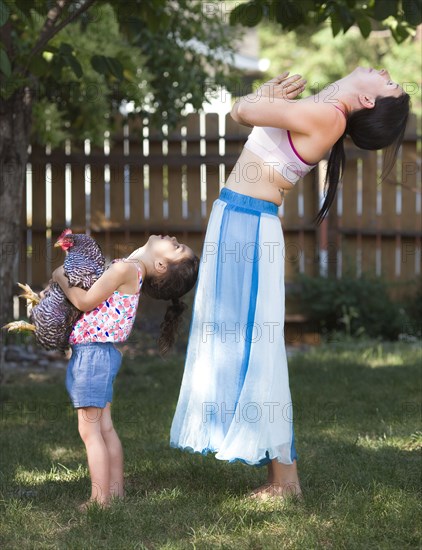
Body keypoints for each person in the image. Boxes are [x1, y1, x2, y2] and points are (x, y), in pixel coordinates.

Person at [170, 67, 410, 499]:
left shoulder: (328, 116)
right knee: (238, 344)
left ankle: (285, 481)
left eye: (389, 83)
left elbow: (241, 110)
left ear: (370, 102)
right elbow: (247, 114)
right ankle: (278, 474)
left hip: (247, 225)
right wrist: (259, 101)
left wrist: (259, 98)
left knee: (258, 350)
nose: (386, 73)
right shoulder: (322, 109)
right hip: (237, 218)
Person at [51, 235, 199, 509]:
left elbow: (83, 301)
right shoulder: (133, 269)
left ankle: (100, 500)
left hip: (93, 355)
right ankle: (115, 492)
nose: (175, 238)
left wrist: (60, 275)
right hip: (101, 354)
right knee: (104, 427)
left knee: (90, 430)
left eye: (177, 248)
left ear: (161, 265)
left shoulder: (126, 270)